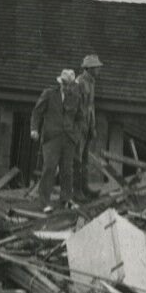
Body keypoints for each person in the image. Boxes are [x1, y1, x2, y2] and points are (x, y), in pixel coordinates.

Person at [30, 68, 84, 206]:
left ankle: (65, 200)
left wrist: (75, 135)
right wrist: (34, 129)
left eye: (70, 85)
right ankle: (44, 202)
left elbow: (79, 118)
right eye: (64, 84)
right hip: (51, 138)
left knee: (67, 171)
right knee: (49, 168)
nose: (67, 87)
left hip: (69, 140)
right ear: (60, 82)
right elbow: (37, 112)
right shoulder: (49, 94)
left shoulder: (76, 98)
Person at [73, 53, 103, 199]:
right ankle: (76, 191)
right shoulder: (79, 83)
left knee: (84, 160)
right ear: (89, 68)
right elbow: (74, 108)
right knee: (76, 159)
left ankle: (84, 189)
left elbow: (91, 107)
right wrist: (79, 126)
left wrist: (93, 126)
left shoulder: (91, 82)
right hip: (78, 127)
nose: (99, 70)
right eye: (97, 68)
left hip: (87, 126)